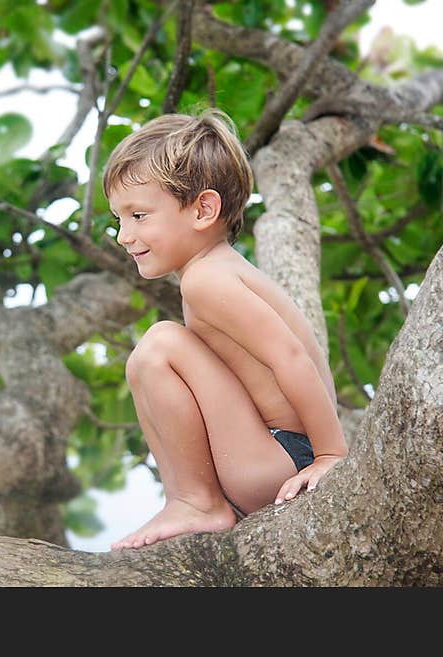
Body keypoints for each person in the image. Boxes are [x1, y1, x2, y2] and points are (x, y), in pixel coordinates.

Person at [103, 109, 349, 551]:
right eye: (118, 219)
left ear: (203, 209)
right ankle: (191, 499)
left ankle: (196, 502)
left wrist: (331, 456)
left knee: (159, 345)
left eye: (138, 215)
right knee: (153, 356)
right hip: (271, 453)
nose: (123, 235)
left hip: (285, 457)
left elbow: (290, 357)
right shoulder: (218, 271)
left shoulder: (207, 280)